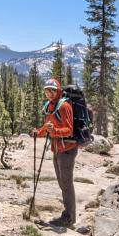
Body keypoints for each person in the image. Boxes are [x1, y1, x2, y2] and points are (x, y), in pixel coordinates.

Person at [31, 78, 79, 227]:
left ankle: (69, 218)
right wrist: (39, 132)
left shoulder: (64, 106)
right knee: (62, 182)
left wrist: (54, 131)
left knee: (66, 183)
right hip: (57, 149)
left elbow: (69, 129)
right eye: (47, 91)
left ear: (57, 91)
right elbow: (48, 125)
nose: (49, 94)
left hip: (67, 150)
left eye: (51, 91)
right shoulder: (49, 106)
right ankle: (69, 215)